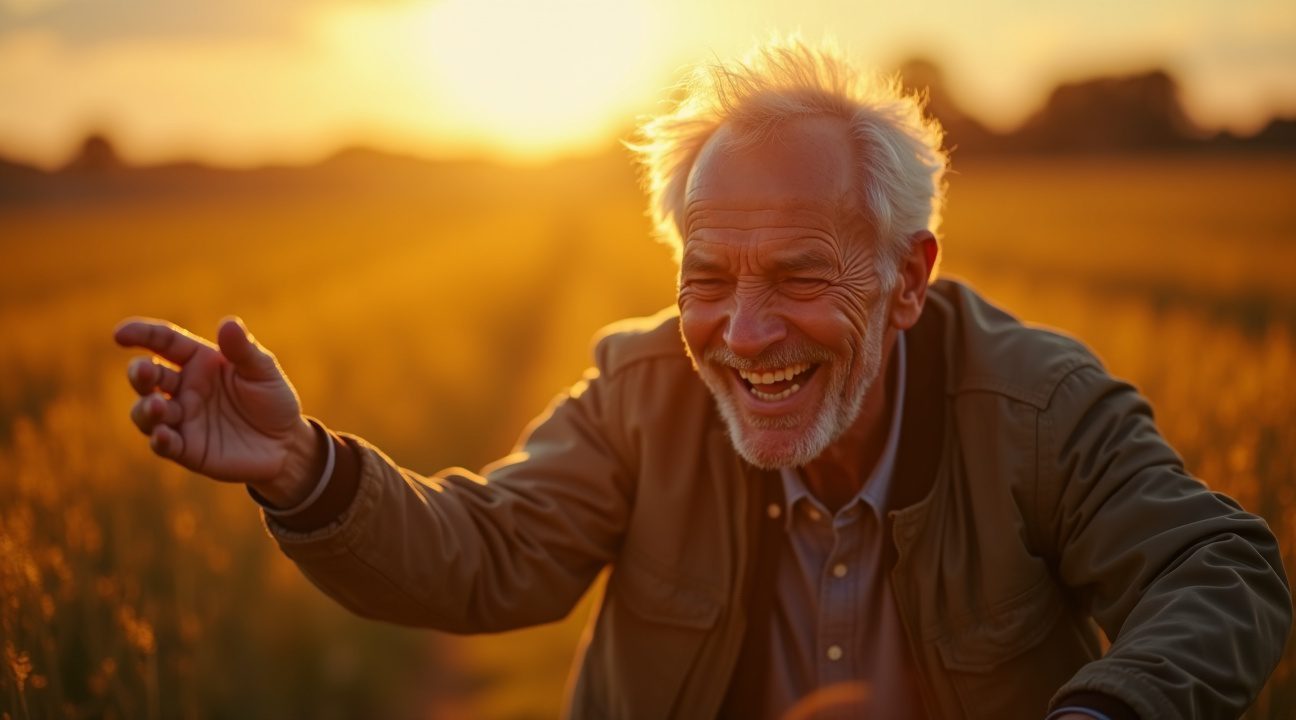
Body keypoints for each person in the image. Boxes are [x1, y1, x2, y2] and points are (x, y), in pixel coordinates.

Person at [114, 38, 1289, 719]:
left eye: (799, 276)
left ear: (908, 276)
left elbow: (1219, 569)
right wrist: (303, 468)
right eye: (708, 278)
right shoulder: (639, 393)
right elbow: (487, 556)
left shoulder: (1037, 404)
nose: (746, 331)